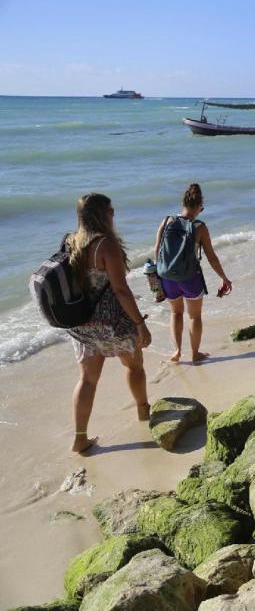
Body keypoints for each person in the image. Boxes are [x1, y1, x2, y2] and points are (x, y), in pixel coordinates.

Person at [65, 193, 152, 454]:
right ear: (102, 214)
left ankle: (80, 437)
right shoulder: (107, 246)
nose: (114, 214)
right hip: (113, 322)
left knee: (88, 380)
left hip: (82, 324)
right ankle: (144, 414)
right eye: (111, 210)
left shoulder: (72, 242)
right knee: (135, 367)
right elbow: (121, 290)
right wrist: (140, 324)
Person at [153, 183, 232, 364]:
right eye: (201, 209)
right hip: (190, 277)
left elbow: (157, 250)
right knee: (194, 316)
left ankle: (177, 351)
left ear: (184, 203)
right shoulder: (200, 227)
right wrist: (224, 278)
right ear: (198, 207)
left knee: (176, 313)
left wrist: (160, 275)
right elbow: (212, 257)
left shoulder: (166, 221)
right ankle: (195, 353)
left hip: (167, 276)